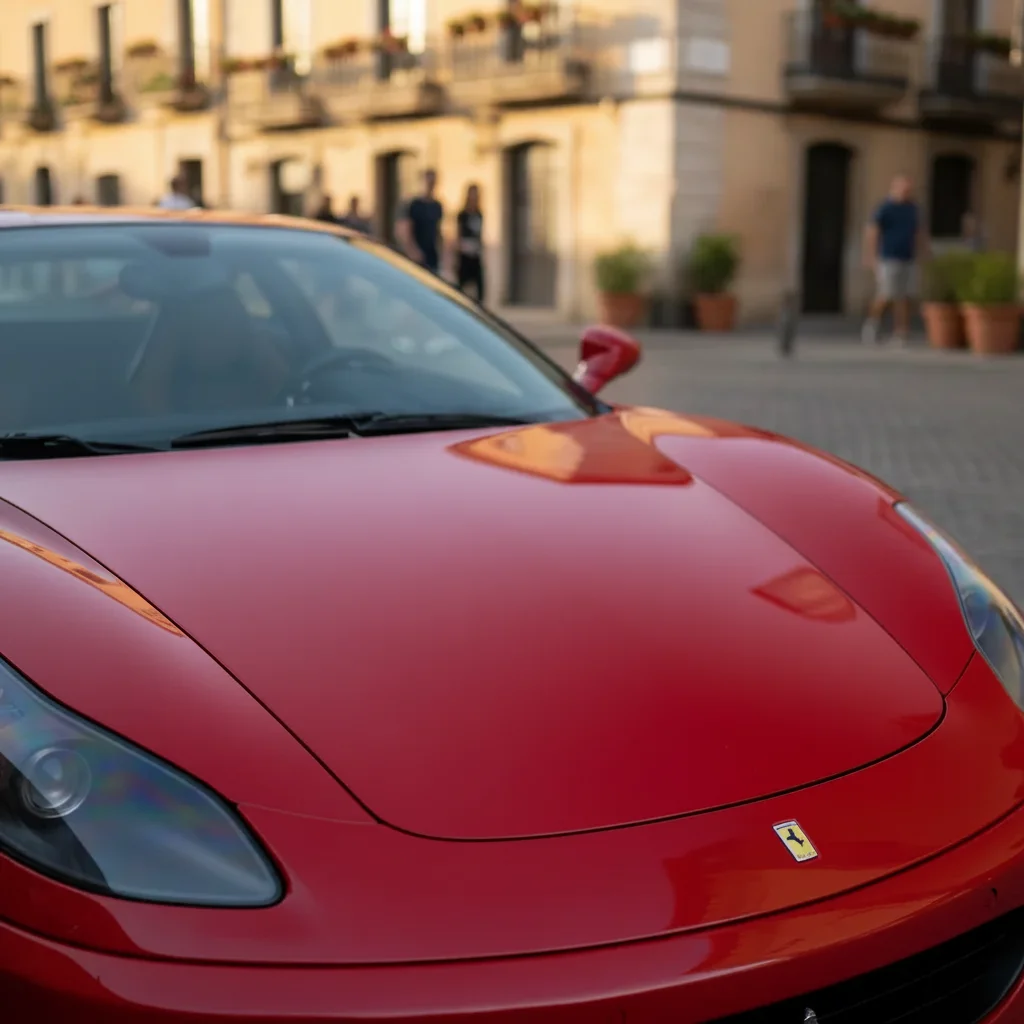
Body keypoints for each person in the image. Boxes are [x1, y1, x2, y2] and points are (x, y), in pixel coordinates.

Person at [862, 174, 928, 346]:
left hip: (908, 257)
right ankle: (872, 325)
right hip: (888, 258)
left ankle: (901, 332)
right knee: (885, 294)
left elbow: (918, 232)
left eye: (909, 190)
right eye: (904, 189)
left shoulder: (912, 208)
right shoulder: (885, 208)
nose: (907, 192)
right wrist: (871, 257)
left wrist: (923, 252)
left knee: (904, 296)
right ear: (895, 188)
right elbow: (872, 232)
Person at [396, 168, 444, 274]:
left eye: (433, 182)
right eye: (428, 182)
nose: (430, 186)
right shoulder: (414, 205)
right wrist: (413, 250)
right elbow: (405, 230)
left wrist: (442, 252)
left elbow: (438, 230)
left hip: (432, 255)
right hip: (417, 254)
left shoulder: (437, 206)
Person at [455, 183, 485, 302]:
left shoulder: (479, 213)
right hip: (464, 254)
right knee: (462, 286)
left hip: (476, 254)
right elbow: (458, 234)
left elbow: (480, 234)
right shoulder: (462, 215)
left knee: (480, 287)